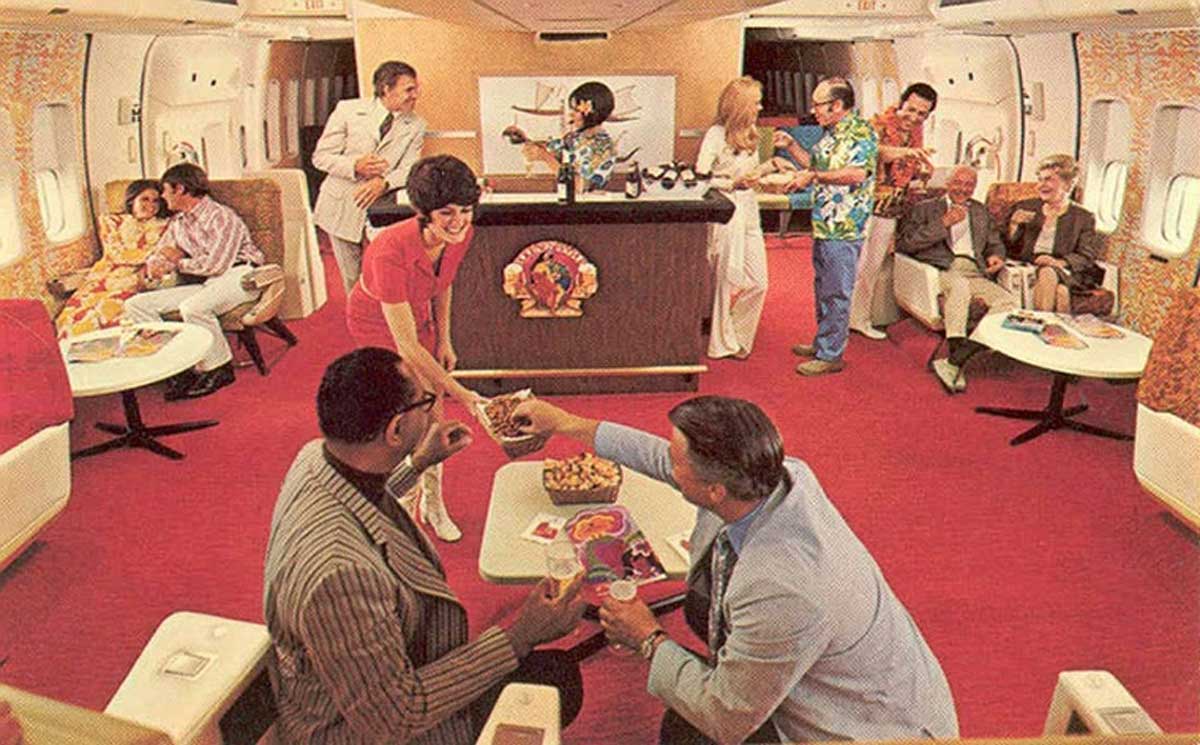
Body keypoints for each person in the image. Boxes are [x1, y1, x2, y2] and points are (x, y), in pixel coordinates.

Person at [514, 395, 958, 744]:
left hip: (865, 731)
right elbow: (658, 457)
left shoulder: (785, 589)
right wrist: (562, 422)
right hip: (854, 682)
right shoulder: (773, 475)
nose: (667, 466)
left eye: (676, 463)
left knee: (688, 729)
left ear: (713, 490)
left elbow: (726, 720)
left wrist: (647, 638)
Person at [263, 348, 586, 745]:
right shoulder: (340, 577)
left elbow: (359, 503)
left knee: (554, 671)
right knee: (558, 681)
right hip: (350, 731)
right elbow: (396, 717)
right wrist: (520, 634)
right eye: (425, 402)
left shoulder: (315, 457)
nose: (434, 409)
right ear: (395, 430)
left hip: (353, 685)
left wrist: (417, 462)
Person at [346, 154, 482, 541]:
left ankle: (433, 503)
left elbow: (444, 284)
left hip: (418, 315)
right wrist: (465, 394)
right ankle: (404, 509)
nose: (458, 222)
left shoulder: (461, 234)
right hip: (376, 324)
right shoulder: (390, 250)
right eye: (446, 213)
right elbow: (404, 344)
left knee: (435, 412)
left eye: (466, 211)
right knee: (405, 416)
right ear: (424, 213)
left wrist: (445, 338)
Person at [124, 163, 263, 400]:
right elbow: (162, 251)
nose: (163, 198)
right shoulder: (178, 222)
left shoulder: (222, 217)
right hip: (208, 283)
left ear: (180, 189)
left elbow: (217, 265)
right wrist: (155, 265)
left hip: (241, 277)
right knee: (136, 305)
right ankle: (176, 367)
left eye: (166, 191)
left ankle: (219, 369)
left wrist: (179, 262)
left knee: (193, 307)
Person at [786, 78, 879, 376]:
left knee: (838, 290)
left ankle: (831, 354)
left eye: (818, 105)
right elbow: (813, 166)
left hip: (845, 225)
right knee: (823, 287)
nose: (814, 111)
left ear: (837, 105)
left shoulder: (861, 132)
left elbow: (855, 174)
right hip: (824, 222)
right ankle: (823, 340)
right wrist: (791, 146)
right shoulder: (830, 134)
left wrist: (813, 177)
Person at [897, 165, 1016, 393]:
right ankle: (956, 354)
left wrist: (996, 256)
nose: (963, 189)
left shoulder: (980, 211)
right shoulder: (925, 209)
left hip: (975, 270)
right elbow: (906, 243)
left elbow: (995, 242)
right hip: (942, 268)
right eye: (958, 183)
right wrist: (942, 224)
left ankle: (956, 360)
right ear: (948, 184)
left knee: (1009, 304)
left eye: (969, 184)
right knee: (959, 288)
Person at [313, 61, 426, 296]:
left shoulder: (415, 124)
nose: (415, 95)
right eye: (409, 89)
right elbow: (321, 157)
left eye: (415, 89)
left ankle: (387, 323)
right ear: (386, 88)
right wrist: (355, 166)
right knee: (352, 278)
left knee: (386, 272)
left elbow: (409, 168)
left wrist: (383, 182)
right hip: (342, 204)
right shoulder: (348, 111)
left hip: (382, 205)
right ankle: (359, 326)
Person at [848, 82, 938, 341]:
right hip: (865, 204)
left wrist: (921, 169)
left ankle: (859, 318)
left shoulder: (916, 133)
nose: (914, 117)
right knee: (855, 264)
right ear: (900, 104)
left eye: (922, 114)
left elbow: (905, 170)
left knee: (872, 267)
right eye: (910, 110)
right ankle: (840, 319)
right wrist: (908, 153)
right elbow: (876, 153)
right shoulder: (877, 124)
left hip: (891, 208)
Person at [697, 77, 772, 360]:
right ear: (740, 105)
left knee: (758, 282)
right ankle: (721, 342)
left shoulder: (753, 133)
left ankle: (737, 334)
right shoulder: (716, 135)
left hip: (749, 210)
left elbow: (752, 174)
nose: (760, 107)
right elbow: (702, 178)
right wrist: (732, 183)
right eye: (755, 102)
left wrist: (766, 171)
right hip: (725, 211)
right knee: (724, 280)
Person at [55, 180, 172, 338]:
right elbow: (115, 253)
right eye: (144, 199)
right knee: (72, 316)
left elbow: (163, 253)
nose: (151, 204)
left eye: (156, 200)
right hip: (105, 274)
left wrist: (148, 259)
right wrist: (149, 253)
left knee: (109, 312)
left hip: (138, 276)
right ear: (132, 200)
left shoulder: (167, 224)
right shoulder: (110, 222)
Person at [1003, 153, 1104, 312]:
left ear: (1067, 184)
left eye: (1048, 179)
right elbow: (1005, 247)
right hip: (1027, 266)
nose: (1040, 185)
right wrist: (1014, 225)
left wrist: (1057, 262)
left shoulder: (1083, 217)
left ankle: (1037, 325)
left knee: (1048, 273)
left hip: (1064, 270)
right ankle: (1054, 332)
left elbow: (1086, 256)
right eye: (1040, 179)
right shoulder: (1024, 207)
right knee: (1061, 293)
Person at [507, 81, 617, 191]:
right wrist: (524, 139)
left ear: (592, 113)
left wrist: (545, 157)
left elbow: (580, 187)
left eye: (576, 110)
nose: (571, 114)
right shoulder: (574, 138)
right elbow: (549, 148)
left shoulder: (603, 146)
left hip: (591, 206)